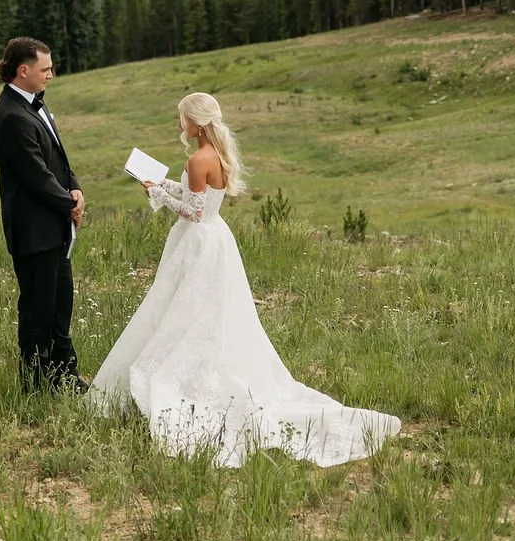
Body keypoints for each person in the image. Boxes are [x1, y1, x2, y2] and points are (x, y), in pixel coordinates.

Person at [88, 92, 400, 466]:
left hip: (198, 241)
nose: (180, 124)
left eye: (183, 118)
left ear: (197, 124)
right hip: (215, 238)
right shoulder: (214, 155)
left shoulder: (197, 158)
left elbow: (194, 212)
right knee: (206, 313)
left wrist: (157, 193)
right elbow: (198, 199)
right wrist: (164, 186)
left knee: (185, 310)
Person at [0, 36, 88, 392]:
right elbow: (35, 176)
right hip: (34, 232)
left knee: (61, 304)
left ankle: (65, 373)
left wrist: (74, 185)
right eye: (45, 69)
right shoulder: (12, 116)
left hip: (54, 227)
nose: (51, 74)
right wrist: (70, 203)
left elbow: (58, 159)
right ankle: (34, 383)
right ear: (23, 70)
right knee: (36, 311)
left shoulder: (36, 106)